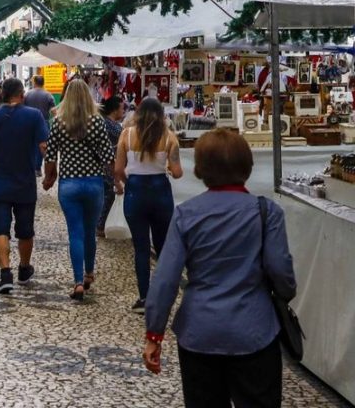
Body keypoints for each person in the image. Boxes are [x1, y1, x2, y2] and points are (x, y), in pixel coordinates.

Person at [143, 129, 296, 407]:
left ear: (200, 170)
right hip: (255, 330)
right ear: (247, 166)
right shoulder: (267, 213)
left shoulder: (186, 214)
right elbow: (281, 272)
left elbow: (165, 279)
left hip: (199, 331)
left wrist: (154, 333)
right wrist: (284, 293)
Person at [42, 78, 114, 301]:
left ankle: (77, 282)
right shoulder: (97, 122)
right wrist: (116, 179)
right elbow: (108, 157)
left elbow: (50, 155)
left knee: (75, 232)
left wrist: (49, 178)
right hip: (93, 182)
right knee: (90, 230)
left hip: (69, 184)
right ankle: (89, 273)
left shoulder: (60, 122)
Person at [0, 78, 48, 294]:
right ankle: (24, 268)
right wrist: (50, 172)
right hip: (24, 182)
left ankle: (5, 274)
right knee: (25, 230)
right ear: (21, 94)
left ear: (2, 94)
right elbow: (44, 145)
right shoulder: (34, 116)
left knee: (1, 229)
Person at [114, 98, 183, 313]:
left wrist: (129, 183)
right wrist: (168, 169)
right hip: (161, 192)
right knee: (162, 247)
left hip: (136, 193)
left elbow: (118, 169)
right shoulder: (169, 137)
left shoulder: (126, 135)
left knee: (141, 248)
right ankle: (163, 297)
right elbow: (178, 172)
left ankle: (144, 298)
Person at [97, 96, 125, 237]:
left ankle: (100, 224)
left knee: (106, 194)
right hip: (108, 163)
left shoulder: (104, 122)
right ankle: (100, 225)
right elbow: (124, 138)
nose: (123, 111)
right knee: (109, 195)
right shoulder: (112, 126)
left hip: (103, 163)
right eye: (122, 108)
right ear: (115, 110)